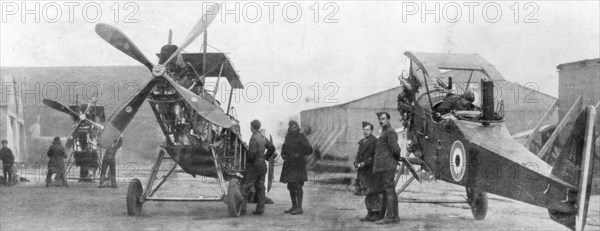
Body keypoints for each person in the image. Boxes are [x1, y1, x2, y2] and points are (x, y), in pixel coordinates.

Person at [241, 119, 276, 215]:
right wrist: (266, 157)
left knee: (245, 187)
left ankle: (242, 209)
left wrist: (248, 163)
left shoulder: (254, 138)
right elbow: (272, 148)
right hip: (262, 165)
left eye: (250, 126)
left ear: (251, 127)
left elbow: (251, 154)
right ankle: (260, 210)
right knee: (260, 187)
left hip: (254, 165)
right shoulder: (263, 137)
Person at [373, 112, 401, 224]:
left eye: (383, 119)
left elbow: (395, 149)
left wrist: (395, 159)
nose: (381, 121)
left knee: (388, 190)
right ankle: (395, 217)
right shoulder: (384, 131)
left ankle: (389, 217)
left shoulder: (390, 132)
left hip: (387, 166)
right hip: (385, 166)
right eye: (380, 119)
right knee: (391, 191)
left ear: (388, 120)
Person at [280, 120, 313, 215]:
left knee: (298, 186)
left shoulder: (301, 136)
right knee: (290, 186)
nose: (294, 129)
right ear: (289, 129)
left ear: (298, 127)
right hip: (289, 164)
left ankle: (300, 207)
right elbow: (284, 147)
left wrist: (300, 154)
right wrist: (283, 153)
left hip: (298, 165)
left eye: (295, 127)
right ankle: (294, 205)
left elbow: (309, 149)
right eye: (292, 128)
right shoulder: (288, 136)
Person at [354, 122, 383, 222]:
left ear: (371, 131)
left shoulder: (375, 141)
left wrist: (364, 163)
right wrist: (356, 163)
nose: (365, 132)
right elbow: (358, 155)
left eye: (368, 130)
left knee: (373, 193)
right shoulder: (362, 141)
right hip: (363, 172)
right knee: (367, 192)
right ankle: (369, 213)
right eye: (364, 129)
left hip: (372, 171)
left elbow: (375, 157)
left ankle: (376, 214)